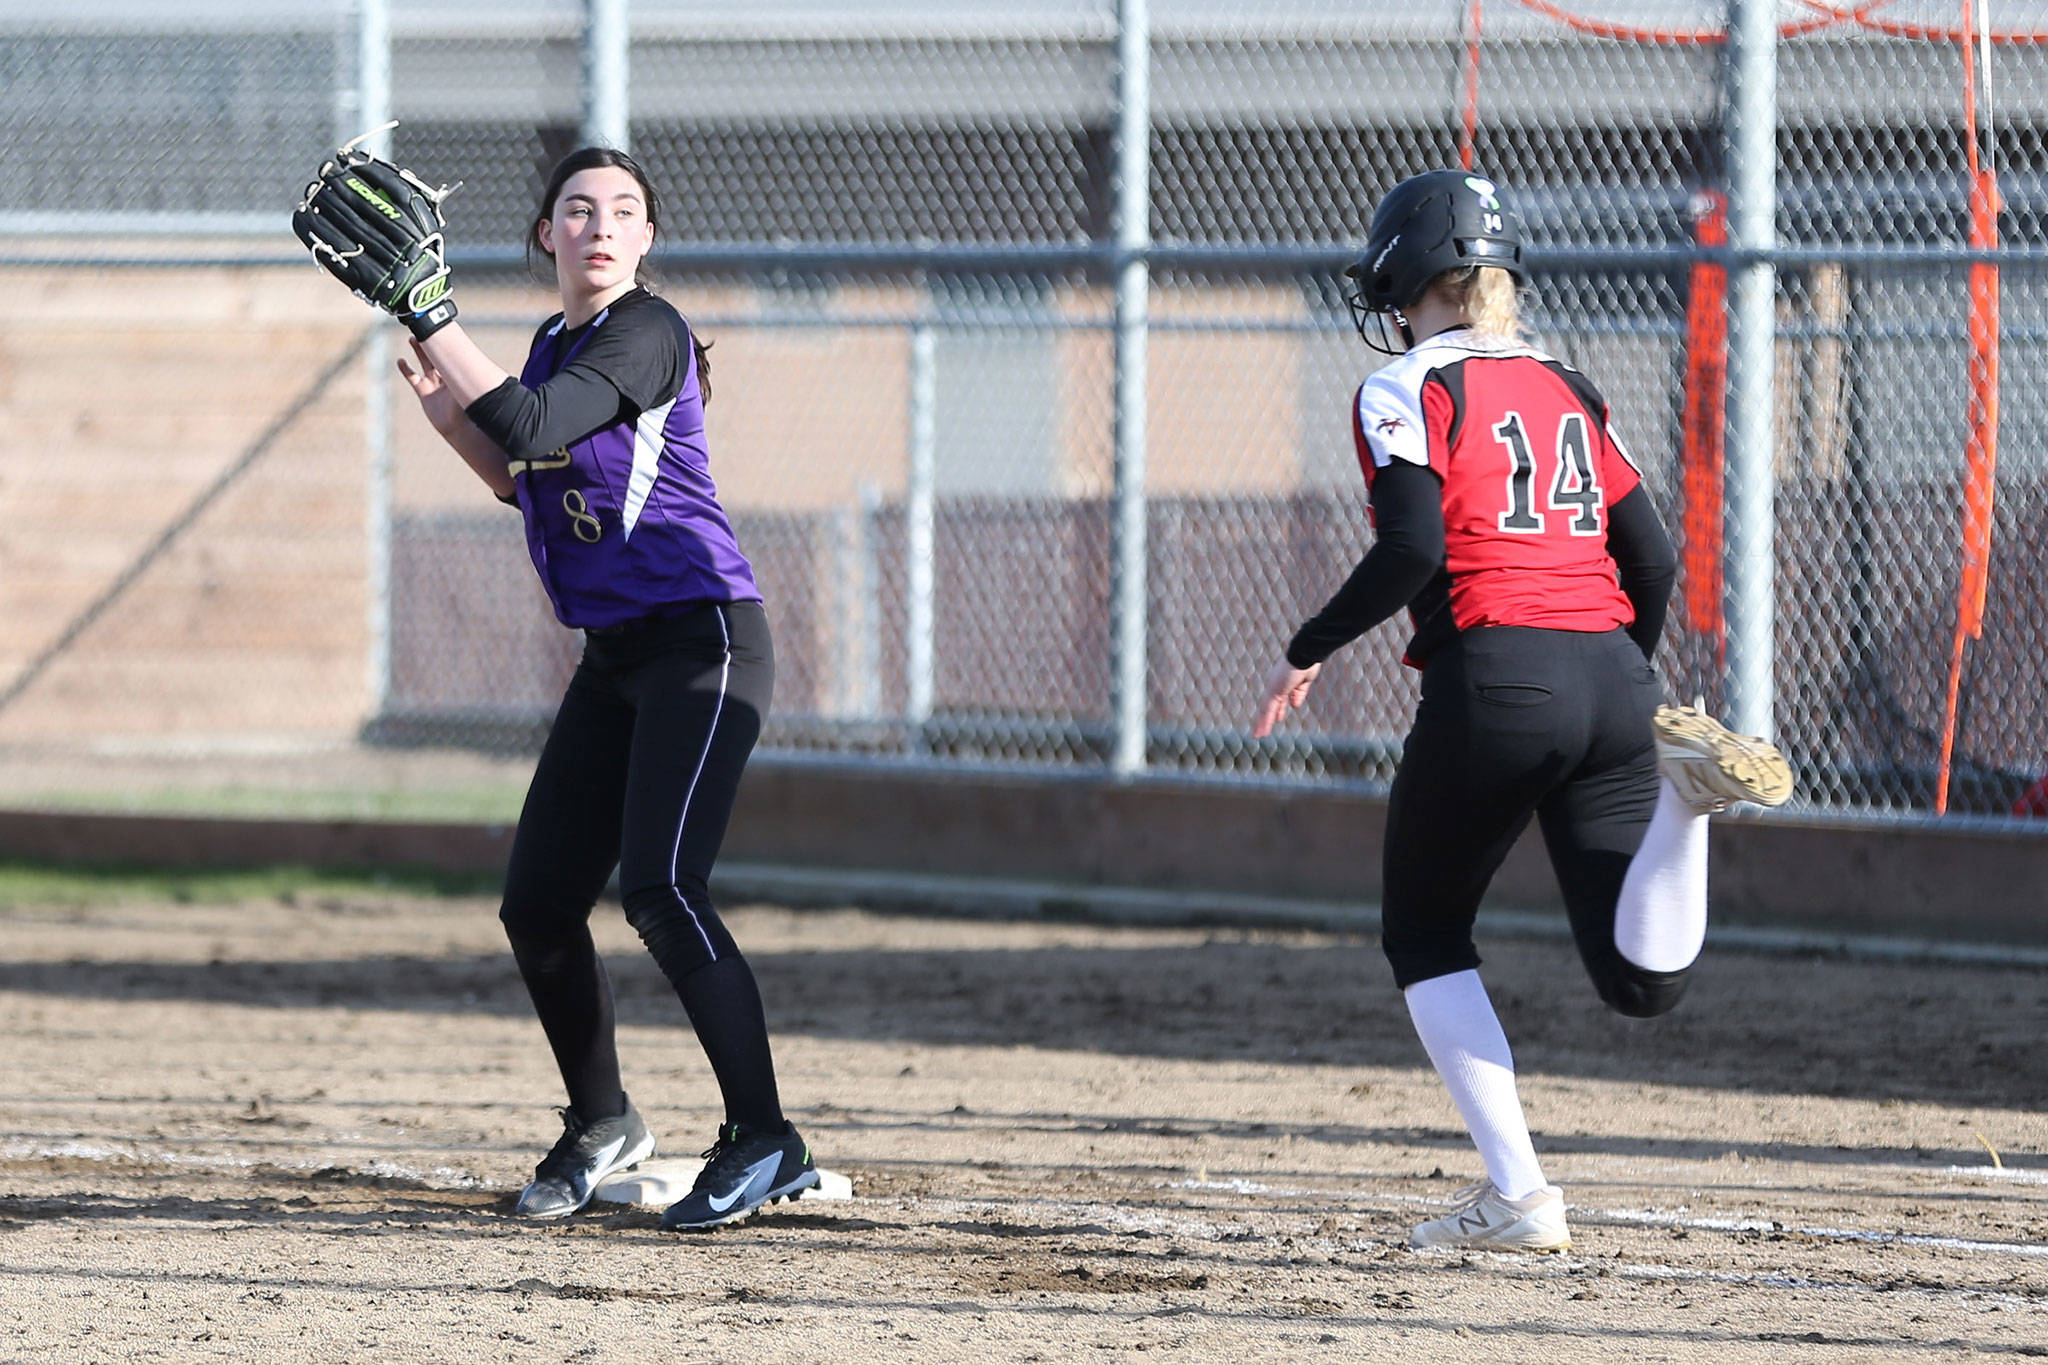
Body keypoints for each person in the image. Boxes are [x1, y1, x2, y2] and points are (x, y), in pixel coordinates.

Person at [1251, 169, 1791, 1253]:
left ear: (1408, 273)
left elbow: (1413, 551)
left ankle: (1520, 1197)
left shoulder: (1408, 383)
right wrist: (1612, 682)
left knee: (1423, 930)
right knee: (1639, 982)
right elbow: (1650, 555)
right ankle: (1685, 806)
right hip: (1613, 674)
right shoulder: (1564, 381)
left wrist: (1306, 647)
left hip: (1498, 675)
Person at [378, 145, 817, 1230]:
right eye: (577, 210)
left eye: (623, 210)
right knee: (536, 904)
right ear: (545, 237)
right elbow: (532, 478)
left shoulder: (646, 329)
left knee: (663, 888)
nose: (600, 225)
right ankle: (603, 1120)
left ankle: (766, 1139)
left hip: (702, 640)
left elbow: (528, 424)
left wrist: (432, 314)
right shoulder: (549, 341)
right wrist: (452, 427)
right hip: (616, 656)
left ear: (648, 240)